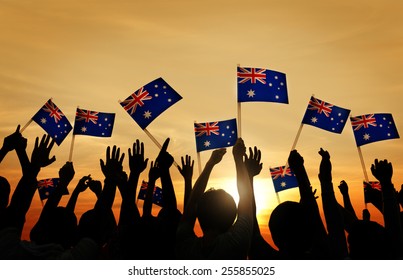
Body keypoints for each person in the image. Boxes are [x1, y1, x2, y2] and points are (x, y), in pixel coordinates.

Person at [176, 138, 254, 259]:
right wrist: (238, 159)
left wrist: (210, 164)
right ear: (232, 216)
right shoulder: (237, 243)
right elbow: (246, 197)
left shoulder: (185, 247)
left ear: (199, 214)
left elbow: (193, 202)